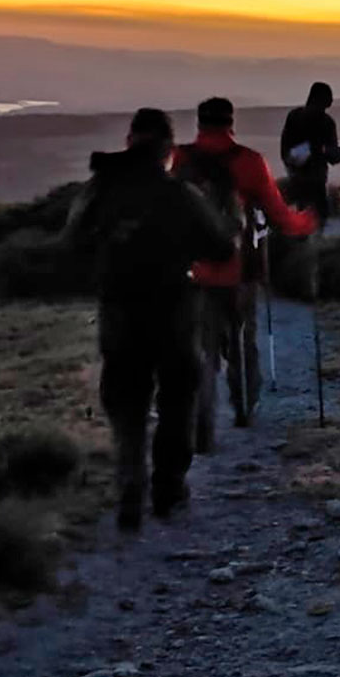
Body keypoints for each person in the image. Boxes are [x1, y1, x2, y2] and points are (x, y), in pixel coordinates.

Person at [64, 108, 236, 529]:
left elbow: (71, 245)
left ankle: (129, 488)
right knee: (178, 399)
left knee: (126, 403)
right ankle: (168, 488)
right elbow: (220, 247)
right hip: (173, 312)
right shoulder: (178, 194)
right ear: (166, 148)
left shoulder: (98, 190)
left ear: (129, 141)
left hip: (119, 313)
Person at [170, 98, 320, 453]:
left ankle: (200, 417)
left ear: (199, 123)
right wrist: (308, 221)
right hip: (241, 268)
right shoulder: (250, 162)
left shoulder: (180, 159)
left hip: (193, 269)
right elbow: (279, 214)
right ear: (230, 123)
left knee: (198, 343)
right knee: (243, 333)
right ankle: (244, 403)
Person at [280, 81, 340, 224]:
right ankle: (314, 242)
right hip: (316, 176)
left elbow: (285, 147)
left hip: (296, 173)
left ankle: (303, 240)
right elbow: (331, 154)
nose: (332, 101)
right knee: (320, 214)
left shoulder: (294, 116)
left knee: (303, 211)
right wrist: (339, 155)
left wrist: (291, 164)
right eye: (329, 97)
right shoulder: (326, 122)